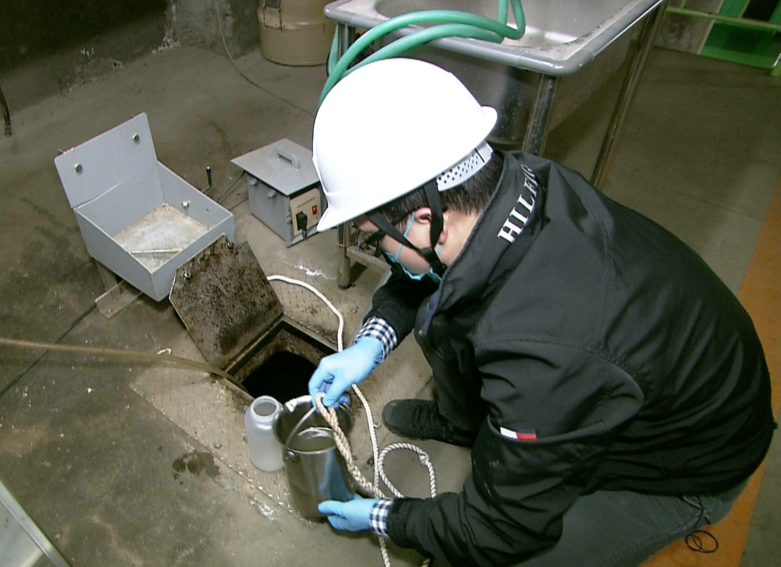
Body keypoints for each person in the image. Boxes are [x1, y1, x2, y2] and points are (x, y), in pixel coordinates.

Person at [306, 58, 775, 566]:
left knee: (480, 558)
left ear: (426, 217)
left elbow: (497, 530)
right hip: (649, 366)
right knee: (447, 313)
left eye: (378, 242)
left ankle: (676, 507)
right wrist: (370, 342)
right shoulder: (513, 183)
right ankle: (465, 425)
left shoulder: (542, 351)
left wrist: (386, 517)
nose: (382, 254)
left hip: (685, 462)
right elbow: (428, 269)